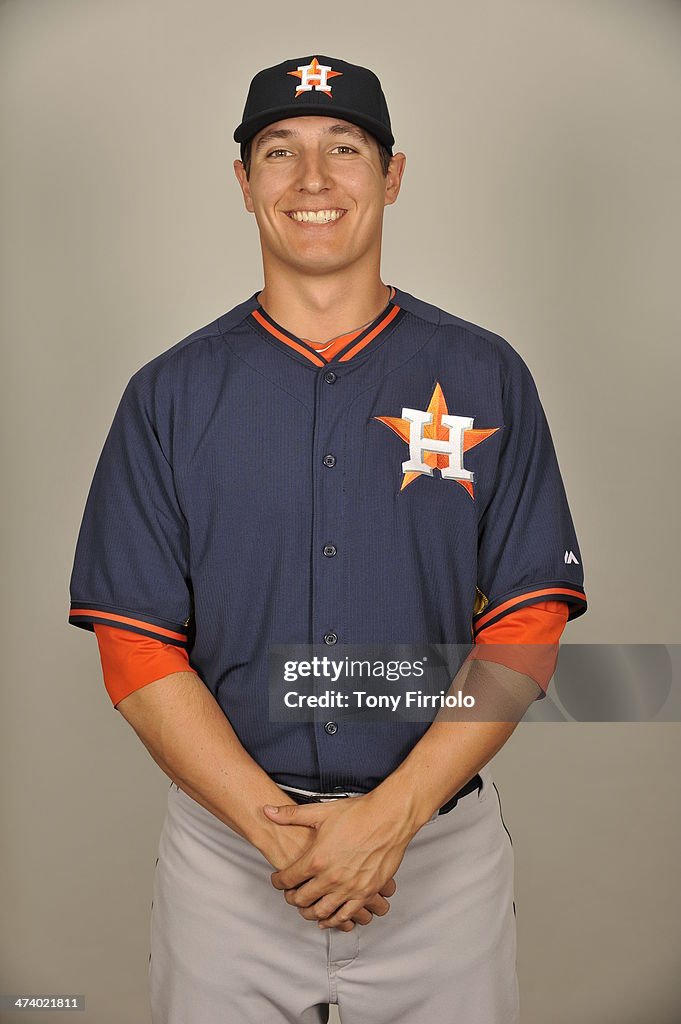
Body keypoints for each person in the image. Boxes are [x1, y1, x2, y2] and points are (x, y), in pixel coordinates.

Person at [68, 54, 587, 1024]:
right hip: (230, 868)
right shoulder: (168, 397)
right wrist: (290, 842)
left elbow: (527, 623)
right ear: (243, 182)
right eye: (281, 152)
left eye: (344, 149)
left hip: (438, 863)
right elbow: (135, 648)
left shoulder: (483, 377)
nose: (313, 181)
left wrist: (388, 822)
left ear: (392, 175)